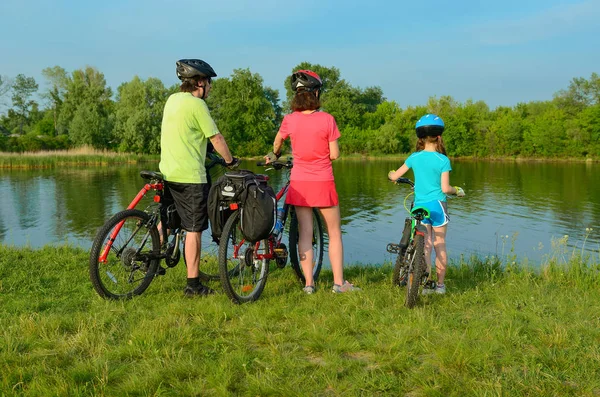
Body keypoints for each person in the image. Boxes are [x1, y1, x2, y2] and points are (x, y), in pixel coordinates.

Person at [265, 69, 359, 294]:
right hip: (323, 181)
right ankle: (339, 284)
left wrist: (276, 154)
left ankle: (309, 284)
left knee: (305, 233)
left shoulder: (289, 120)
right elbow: (334, 154)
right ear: (316, 94)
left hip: (300, 182)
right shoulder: (327, 120)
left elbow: (277, 142)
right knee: (334, 233)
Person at [159, 59, 238, 297]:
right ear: (200, 82)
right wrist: (230, 160)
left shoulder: (172, 100)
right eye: (209, 83)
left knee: (168, 216)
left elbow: (187, 133)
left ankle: (155, 254)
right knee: (193, 229)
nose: (211, 88)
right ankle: (193, 285)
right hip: (189, 177)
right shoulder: (197, 105)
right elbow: (216, 138)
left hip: (167, 172)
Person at [387, 114, 464, 295]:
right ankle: (440, 286)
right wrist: (457, 190)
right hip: (438, 206)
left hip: (420, 206)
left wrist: (392, 175)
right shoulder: (443, 160)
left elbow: (395, 176)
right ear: (439, 137)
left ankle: (426, 284)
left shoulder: (414, 157)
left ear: (420, 138)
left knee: (425, 246)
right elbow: (445, 188)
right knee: (440, 243)